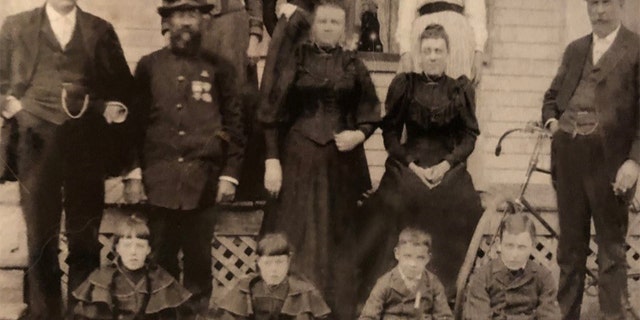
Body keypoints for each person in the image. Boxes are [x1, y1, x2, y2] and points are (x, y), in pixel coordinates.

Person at [0, 0, 133, 318]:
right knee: (40, 236)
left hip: (86, 143)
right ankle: (43, 313)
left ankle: (82, 312)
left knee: (84, 237)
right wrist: (13, 107)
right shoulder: (17, 27)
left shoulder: (100, 30)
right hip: (34, 143)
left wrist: (108, 108)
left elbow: (123, 87)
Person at [258, 2, 380, 319]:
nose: (328, 26)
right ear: (314, 25)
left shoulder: (353, 63)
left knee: (336, 240)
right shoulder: (297, 59)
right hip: (299, 157)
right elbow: (272, 110)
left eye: (334, 22)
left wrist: (359, 135)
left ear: (344, 28)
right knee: (298, 233)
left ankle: (334, 312)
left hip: (340, 163)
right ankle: (293, 310)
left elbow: (371, 110)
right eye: (323, 21)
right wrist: (272, 159)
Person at [124, 0, 246, 317]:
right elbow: (134, 125)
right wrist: (134, 172)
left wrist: (229, 175)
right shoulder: (149, 66)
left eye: (192, 14)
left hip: (203, 183)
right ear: (167, 22)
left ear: (204, 21)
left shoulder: (221, 68)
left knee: (198, 264)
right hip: (159, 181)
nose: (186, 22)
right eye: (179, 15)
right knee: (160, 261)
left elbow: (234, 126)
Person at [360, 24, 483, 304]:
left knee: (460, 200)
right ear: (418, 54)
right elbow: (390, 133)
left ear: (447, 54)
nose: (432, 56)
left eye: (438, 51)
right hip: (409, 160)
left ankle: (446, 289)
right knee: (399, 198)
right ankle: (393, 288)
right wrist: (411, 165)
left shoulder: (459, 89)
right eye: (427, 51)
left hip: (446, 163)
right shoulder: (406, 85)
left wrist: (447, 164)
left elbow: (469, 136)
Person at [541, 0, 640, 318]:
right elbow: (551, 98)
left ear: (621, 6)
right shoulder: (575, 49)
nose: (599, 11)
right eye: (593, 3)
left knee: (611, 252)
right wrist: (553, 123)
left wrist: (634, 161)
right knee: (569, 250)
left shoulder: (636, 49)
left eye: (606, 3)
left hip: (610, 164)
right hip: (569, 159)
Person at [72, 215, 192, 320]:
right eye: (127, 245)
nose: (133, 252)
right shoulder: (101, 279)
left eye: (140, 246)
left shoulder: (161, 279)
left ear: (148, 250)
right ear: (117, 248)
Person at [463, 213, 561, 320]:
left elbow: (550, 316)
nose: (514, 255)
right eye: (509, 246)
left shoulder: (543, 277)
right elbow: (479, 316)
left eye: (521, 247)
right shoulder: (483, 277)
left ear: (532, 246)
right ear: (499, 244)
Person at [216, 233, 331, 320]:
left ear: (289, 260)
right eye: (268, 263)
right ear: (258, 262)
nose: (274, 269)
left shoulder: (304, 292)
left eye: (280, 262)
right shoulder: (245, 288)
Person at [359, 228, 452, 320]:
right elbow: (368, 317)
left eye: (420, 258)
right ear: (397, 254)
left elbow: (444, 316)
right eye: (407, 256)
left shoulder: (433, 284)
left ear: (428, 258)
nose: (413, 264)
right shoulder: (385, 283)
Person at [396, 0, 487, 82]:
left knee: (457, 92)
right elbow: (406, 13)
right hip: (424, 31)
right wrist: (405, 52)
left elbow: (476, 13)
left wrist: (478, 50)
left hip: (457, 33)